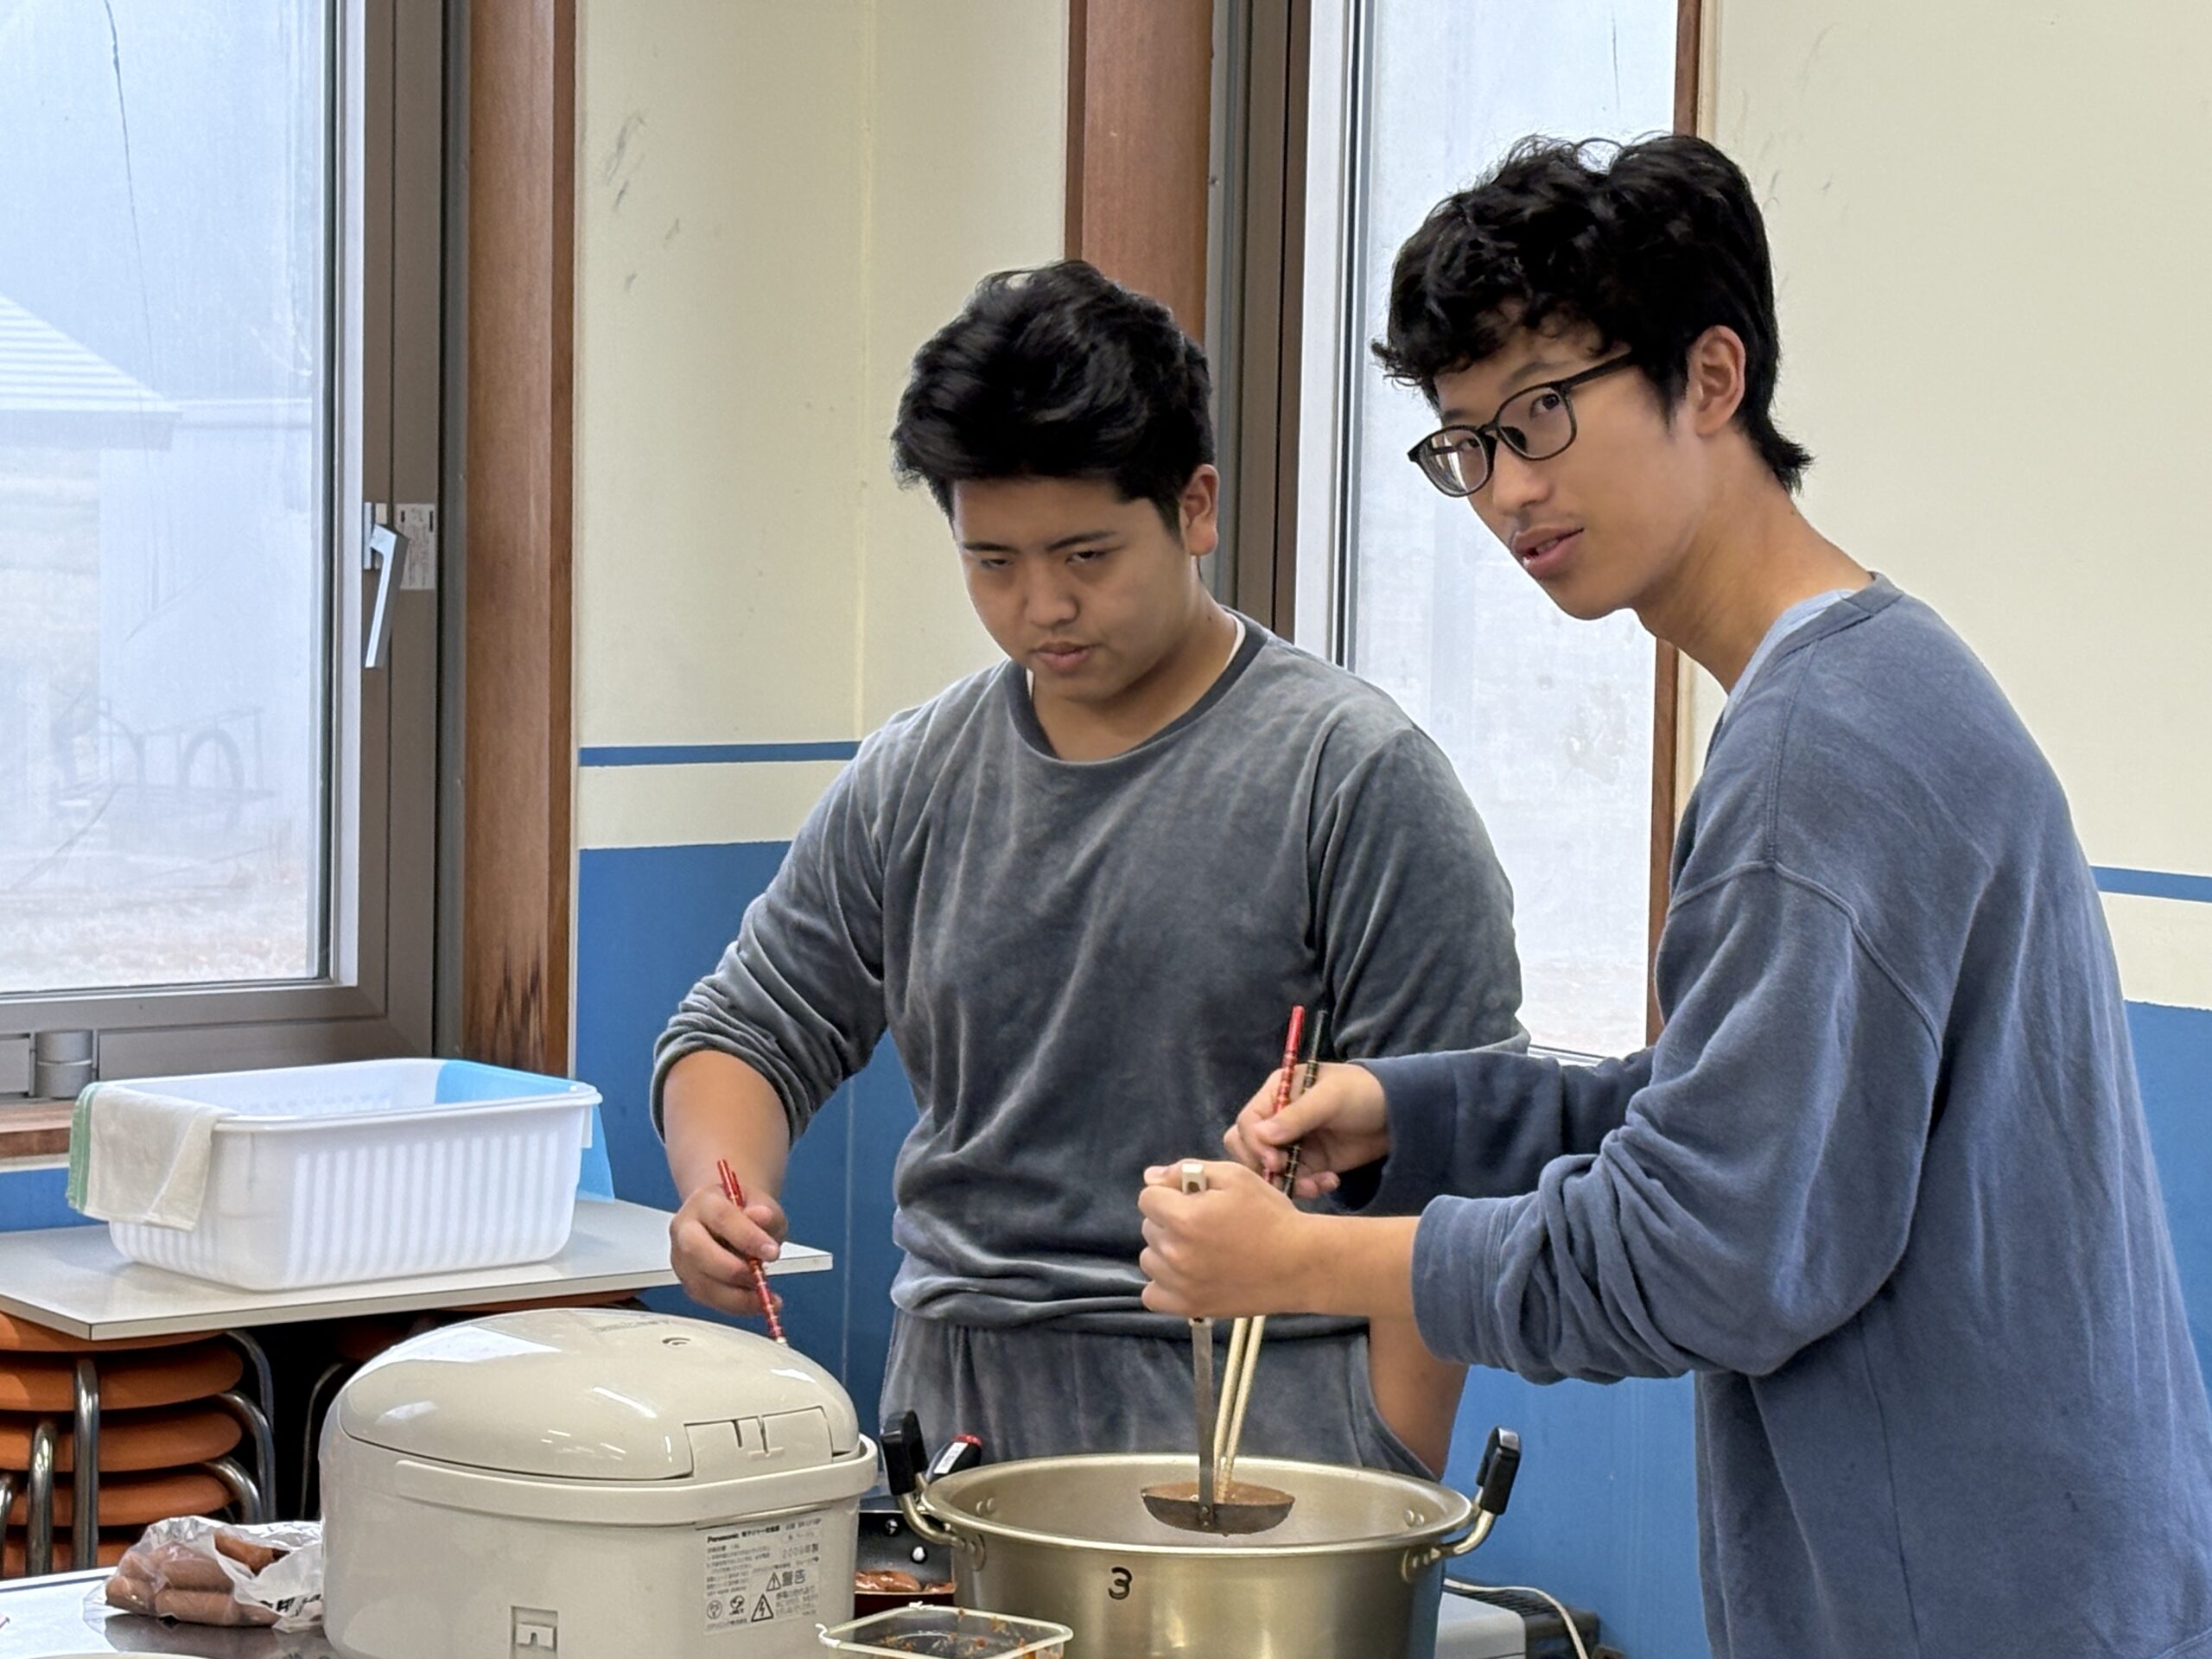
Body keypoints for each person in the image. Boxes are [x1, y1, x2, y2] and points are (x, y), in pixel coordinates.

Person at [1136, 136, 2212, 1657]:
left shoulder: (1817, 751)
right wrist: (1411, 1114)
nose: (1509, 491)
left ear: (1713, 376)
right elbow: (1734, 1122)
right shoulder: (1874, 681)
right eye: (1467, 445)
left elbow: (1710, 1250)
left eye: (1542, 415)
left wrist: (1305, 1261)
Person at [655, 259, 1523, 1475]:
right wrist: (720, 1191)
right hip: (959, 1418)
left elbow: (1461, 1143)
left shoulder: (1352, 775)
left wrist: (1389, 1461)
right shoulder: (918, 772)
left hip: (1262, 1424)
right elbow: (747, 1028)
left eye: (1085, 555)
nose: (1042, 608)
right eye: (993, 563)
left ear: (1197, 508)